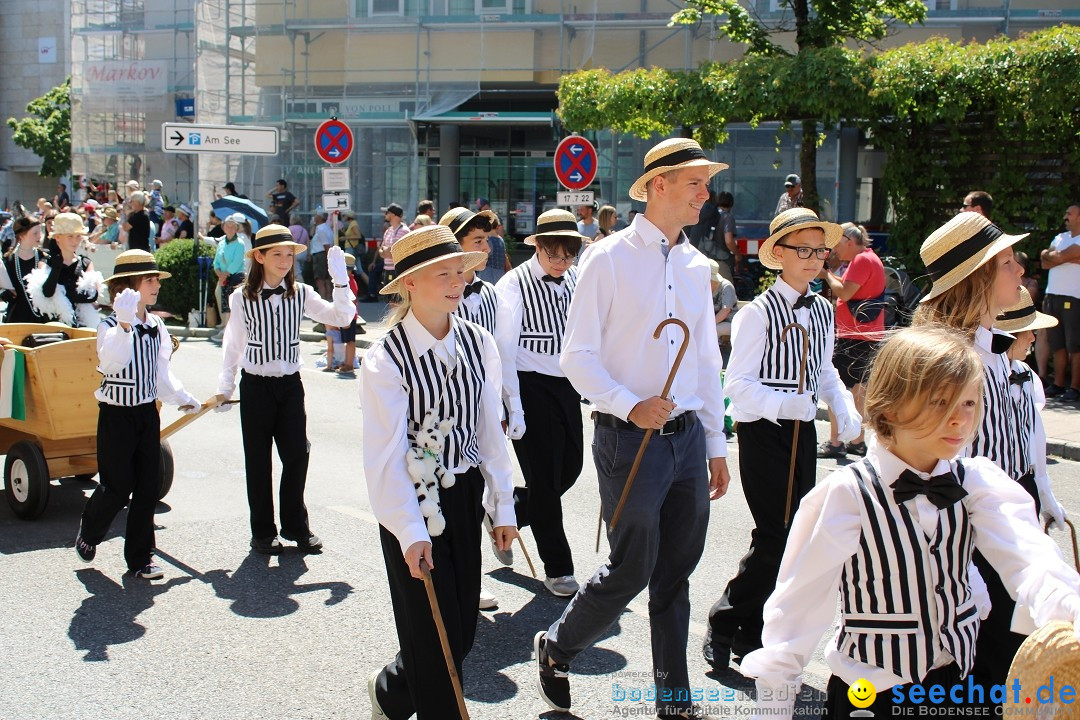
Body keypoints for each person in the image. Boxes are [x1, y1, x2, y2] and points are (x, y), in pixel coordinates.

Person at [738, 324, 1080, 719]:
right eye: (940, 402)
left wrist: (1070, 607)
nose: (959, 419)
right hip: (870, 694)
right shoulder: (847, 495)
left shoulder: (977, 481)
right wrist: (776, 701)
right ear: (890, 407)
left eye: (969, 403)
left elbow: (1032, 558)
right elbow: (796, 609)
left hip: (954, 688)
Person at [535, 138, 731, 718]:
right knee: (631, 568)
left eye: (705, 182)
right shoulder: (607, 257)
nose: (704, 193)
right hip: (629, 437)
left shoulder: (698, 266)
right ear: (657, 186)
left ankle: (675, 701)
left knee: (676, 573)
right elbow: (577, 356)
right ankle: (559, 645)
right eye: (694, 182)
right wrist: (628, 405)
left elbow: (705, 363)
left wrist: (716, 444)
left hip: (689, 436)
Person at [361, 224, 518, 720]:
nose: (457, 282)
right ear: (409, 282)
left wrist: (503, 503)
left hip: (462, 489)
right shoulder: (386, 358)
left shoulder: (478, 343)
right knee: (433, 641)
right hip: (410, 496)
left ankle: (389, 690)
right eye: (443, 273)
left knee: (461, 629)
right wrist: (408, 530)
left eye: (461, 272)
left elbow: (489, 431)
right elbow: (383, 459)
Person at [705, 207, 860, 671]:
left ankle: (751, 632)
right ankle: (724, 619)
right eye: (804, 250)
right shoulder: (757, 314)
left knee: (796, 537)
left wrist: (843, 407)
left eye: (820, 251)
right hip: (762, 432)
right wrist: (784, 404)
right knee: (777, 534)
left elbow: (825, 369)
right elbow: (737, 385)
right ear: (779, 255)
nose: (815, 259)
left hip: (801, 432)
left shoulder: (820, 309)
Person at [911, 211, 1034, 699]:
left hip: (1000, 536)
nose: (1021, 271)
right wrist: (965, 575)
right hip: (965, 549)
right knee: (973, 680)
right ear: (979, 275)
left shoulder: (995, 353)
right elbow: (925, 477)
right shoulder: (948, 361)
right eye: (1008, 262)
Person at [216, 227, 355, 555]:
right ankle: (263, 532)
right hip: (256, 385)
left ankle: (296, 527)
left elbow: (342, 316)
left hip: (291, 385)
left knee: (297, 455)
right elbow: (233, 344)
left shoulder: (302, 293)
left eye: (289, 254)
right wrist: (225, 385)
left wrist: (340, 281)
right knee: (258, 461)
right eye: (277, 254)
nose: (285, 260)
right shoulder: (240, 298)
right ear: (260, 257)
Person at [74, 250, 201, 580]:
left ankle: (140, 558)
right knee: (117, 487)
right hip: (116, 416)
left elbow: (161, 374)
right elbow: (110, 363)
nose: (156, 284)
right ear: (128, 286)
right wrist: (126, 325)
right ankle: (89, 532)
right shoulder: (108, 326)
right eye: (149, 279)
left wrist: (186, 399)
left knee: (148, 486)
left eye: (156, 278)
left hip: (146, 413)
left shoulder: (157, 325)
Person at [494, 208, 585, 598]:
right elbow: (505, 351)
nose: (562, 263)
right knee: (546, 481)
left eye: (569, 256)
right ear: (539, 247)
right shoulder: (512, 286)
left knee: (572, 468)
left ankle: (507, 510)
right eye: (556, 255)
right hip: (528, 387)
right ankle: (558, 567)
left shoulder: (576, 279)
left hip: (566, 386)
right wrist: (512, 405)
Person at [995, 287, 1067, 530]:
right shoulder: (975, 376)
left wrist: (1045, 497)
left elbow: (1035, 440)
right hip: (990, 493)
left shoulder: (1027, 376)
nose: (1033, 338)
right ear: (1011, 335)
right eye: (1029, 331)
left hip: (1025, 486)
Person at [819, 222, 886, 459]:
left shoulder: (861, 260)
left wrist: (825, 273)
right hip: (864, 335)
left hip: (854, 336)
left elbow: (845, 292)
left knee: (835, 388)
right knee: (858, 391)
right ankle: (856, 441)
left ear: (849, 240)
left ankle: (836, 442)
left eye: (837, 243)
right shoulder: (869, 258)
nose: (835, 248)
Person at [25, 212, 104, 328]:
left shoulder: (85, 263)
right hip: (54, 325)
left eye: (78, 236)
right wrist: (57, 266)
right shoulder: (46, 262)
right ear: (57, 237)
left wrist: (64, 294)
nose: (75, 241)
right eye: (70, 236)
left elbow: (92, 295)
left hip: (82, 324)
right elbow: (47, 292)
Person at [1040, 202, 1080, 402]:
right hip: (1052, 296)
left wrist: (1057, 257)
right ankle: (1058, 384)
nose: (1065, 216)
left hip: (1074, 298)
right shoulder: (1060, 237)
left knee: (1074, 344)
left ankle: (1074, 387)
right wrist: (1065, 257)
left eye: (1069, 213)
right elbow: (1044, 261)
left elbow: (1055, 256)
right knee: (1057, 344)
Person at [0, 217, 48, 323]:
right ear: (22, 236)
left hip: (42, 317)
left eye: (40, 232)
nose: (39, 236)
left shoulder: (44, 257)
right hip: (17, 317)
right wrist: (7, 293)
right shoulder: (8, 259)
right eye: (35, 233)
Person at [210, 213, 249, 343]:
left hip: (235, 276)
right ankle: (226, 327)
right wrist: (219, 273)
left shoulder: (240, 243)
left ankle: (232, 331)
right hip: (223, 276)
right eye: (228, 226)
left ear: (237, 228)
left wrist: (224, 275)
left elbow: (237, 262)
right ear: (224, 227)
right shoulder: (221, 243)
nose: (231, 229)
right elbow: (216, 261)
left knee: (232, 302)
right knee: (223, 300)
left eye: (233, 227)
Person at [365, 203, 408, 302]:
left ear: (393, 215)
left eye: (386, 212)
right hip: (387, 269)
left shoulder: (404, 230)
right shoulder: (388, 231)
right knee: (390, 301)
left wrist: (387, 251)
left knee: (398, 301)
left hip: (397, 271)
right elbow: (382, 250)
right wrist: (387, 251)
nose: (385, 215)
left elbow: (395, 251)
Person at [308, 210, 335, 301]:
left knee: (320, 279)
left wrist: (329, 259)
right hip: (324, 255)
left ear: (319, 217)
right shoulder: (327, 228)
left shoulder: (321, 229)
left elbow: (326, 245)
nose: (314, 217)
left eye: (316, 215)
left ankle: (323, 299)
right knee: (326, 278)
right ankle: (328, 297)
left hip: (321, 256)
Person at [476, 213, 510, 285]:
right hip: (500, 273)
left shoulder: (489, 240)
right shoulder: (501, 239)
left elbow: (485, 256)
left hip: (488, 273)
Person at [709, 258, 737, 343]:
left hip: (730, 322)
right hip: (714, 321)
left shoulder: (726, 286)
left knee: (712, 330)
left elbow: (726, 310)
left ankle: (713, 355)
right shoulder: (703, 287)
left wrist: (708, 324)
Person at [287, 212, 311, 280]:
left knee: (296, 273)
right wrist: (308, 255)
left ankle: (301, 286)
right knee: (299, 270)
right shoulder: (304, 230)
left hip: (295, 252)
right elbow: (308, 243)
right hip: (303, 253)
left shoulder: (290, 228)